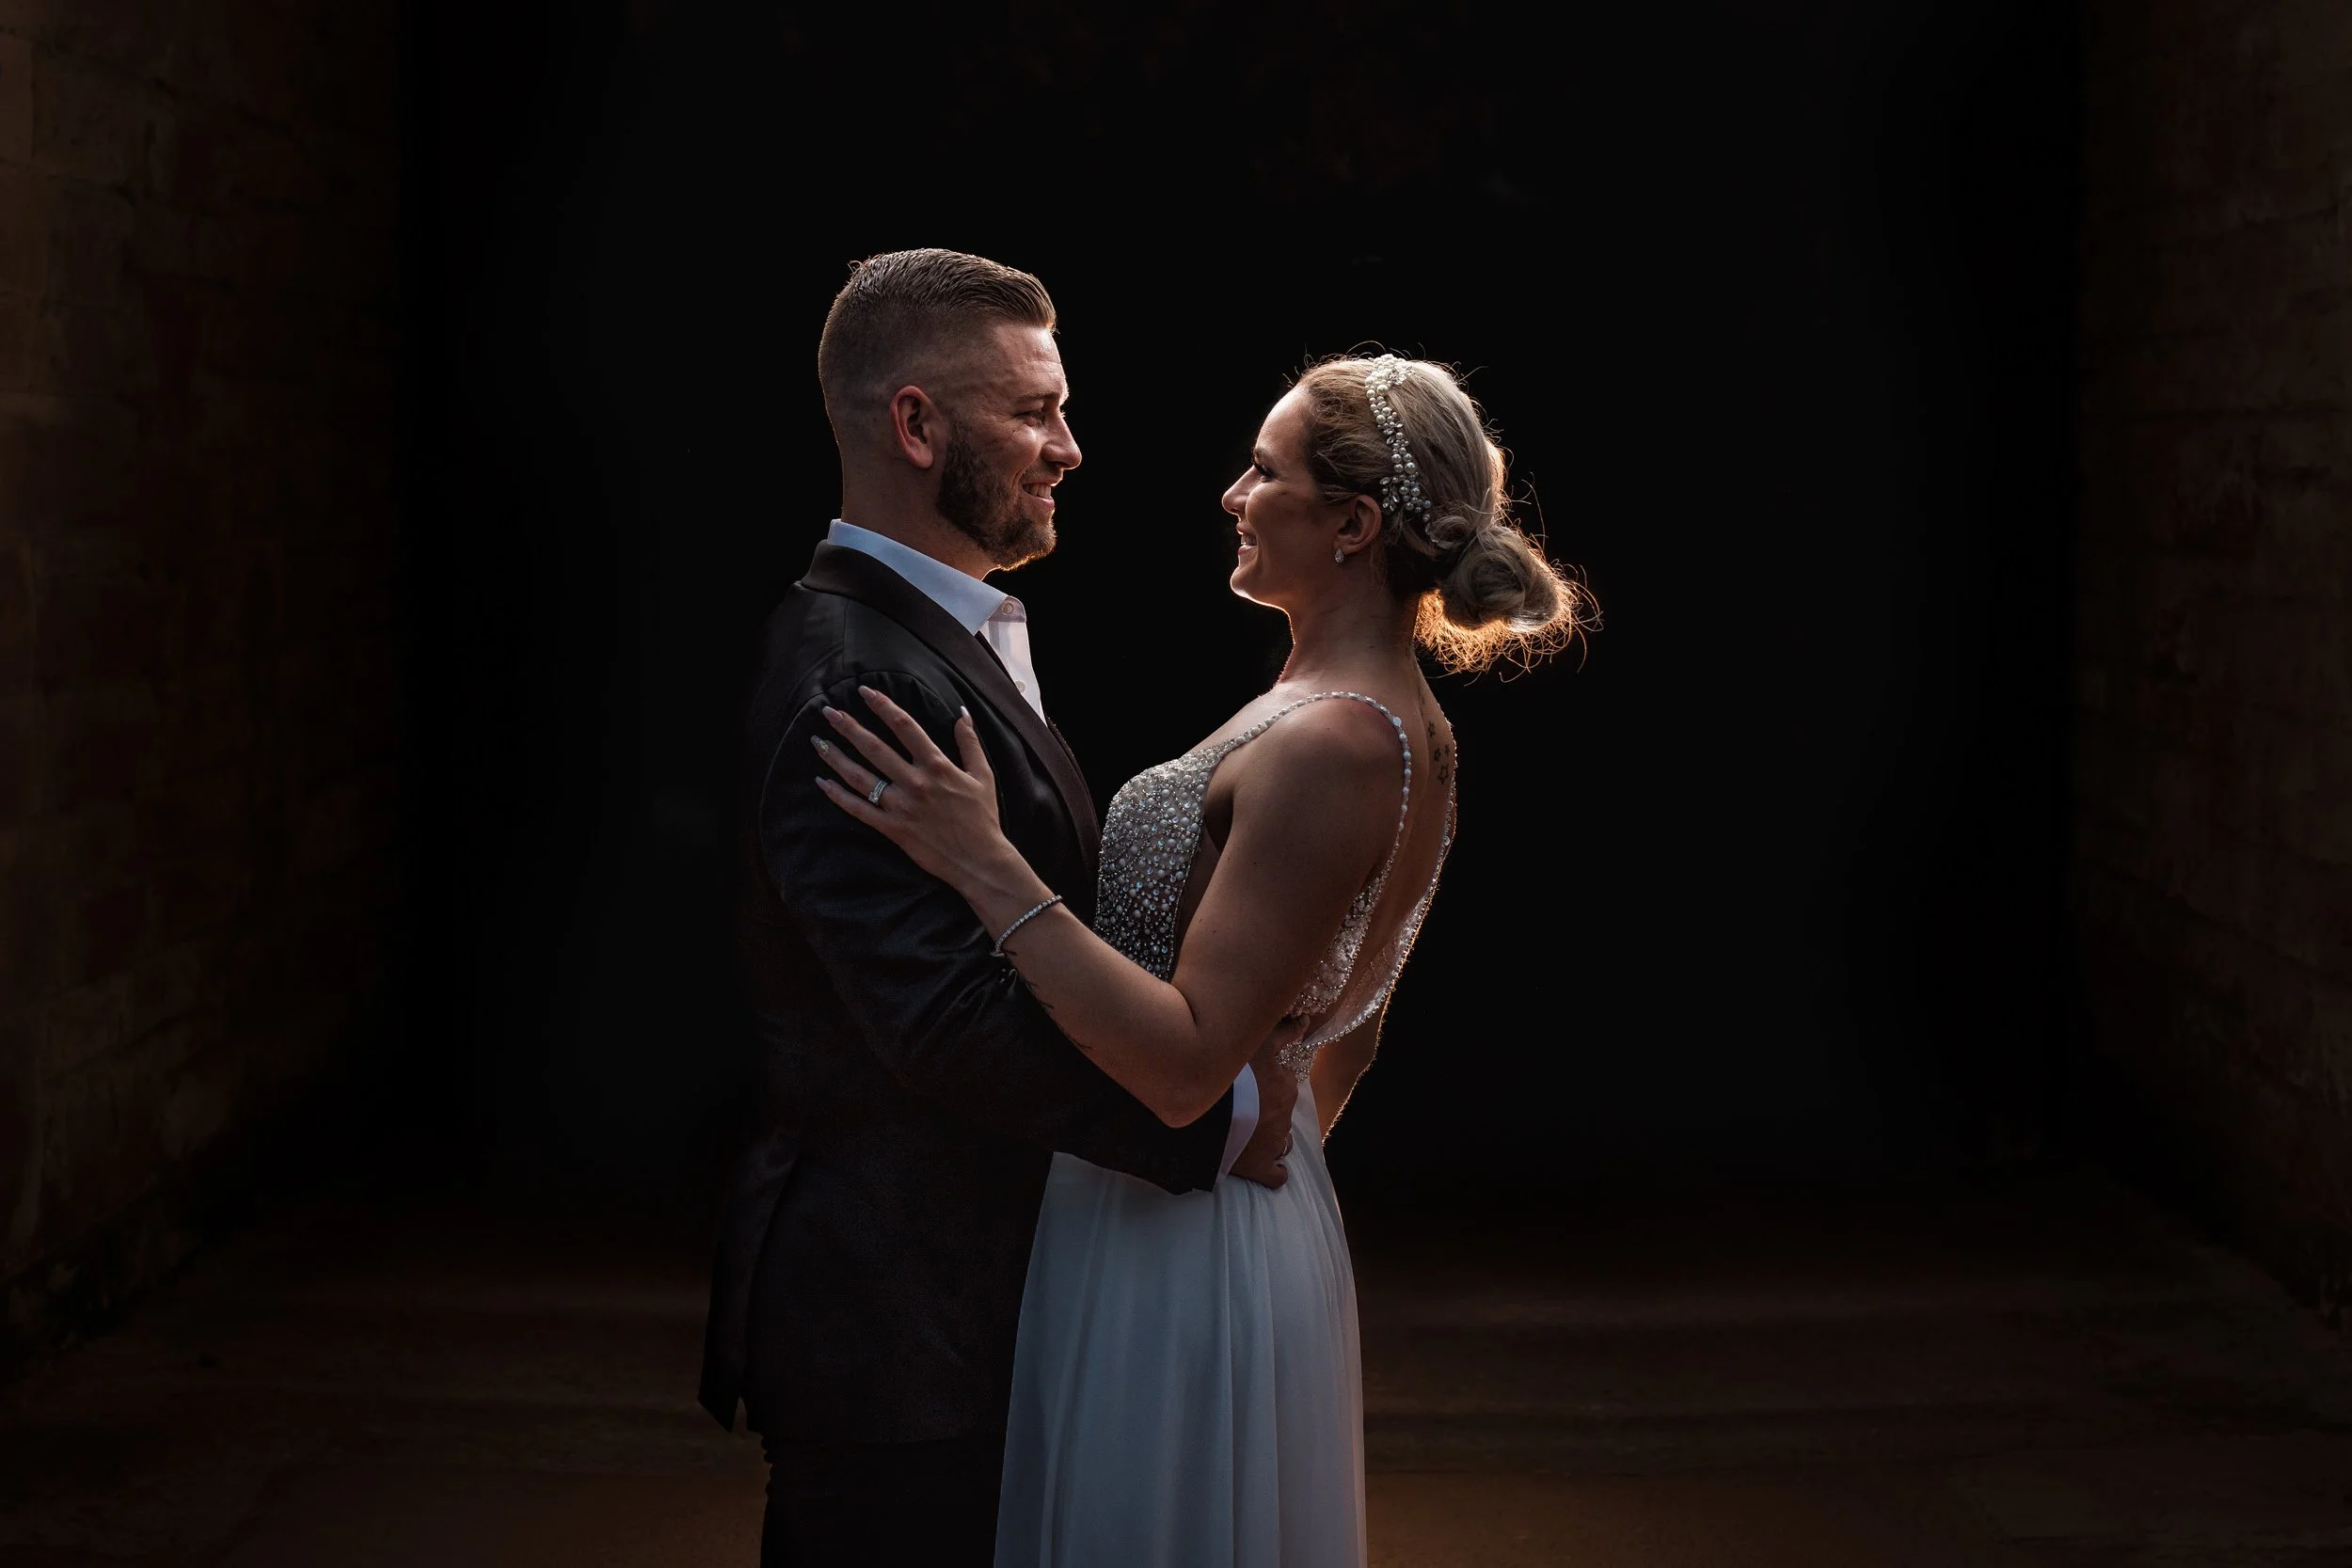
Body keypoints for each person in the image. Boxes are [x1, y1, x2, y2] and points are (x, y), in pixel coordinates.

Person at [813, 349, 1590, 1566]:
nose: (1232, 494)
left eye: (1264, 470)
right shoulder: (1371, 712)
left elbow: (1180, 1068)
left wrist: (979, 856)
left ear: (1351, 523)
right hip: (1205, 1203)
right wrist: (1267, 1125)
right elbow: (1351, 1028)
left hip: (1175, 1221)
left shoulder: (1338, 738)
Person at [696, 248, 1300, 1568]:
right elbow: (945, 1020)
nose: (1070, 447)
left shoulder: (930, 636)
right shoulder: (853, 682)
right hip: (894, 1326)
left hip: (964, 1304)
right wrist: (1220, 1119)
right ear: (916, 424)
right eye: (1033, 410)